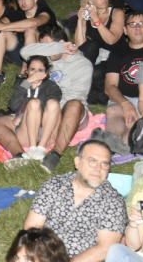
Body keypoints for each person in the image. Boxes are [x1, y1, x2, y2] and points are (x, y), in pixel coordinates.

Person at [20, 140, 127, 262]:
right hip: (43, 259)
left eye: (105, 164)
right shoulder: (54, 186)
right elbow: (31, 228)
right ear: (77, 162)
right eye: (92, 161)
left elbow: (104, 249)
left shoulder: (113, 202)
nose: (98, 169)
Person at [20, 24, 94, 174]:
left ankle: (55, 154)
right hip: (46, 108)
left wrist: (52, 111)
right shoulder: (48, 60)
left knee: (74, 105)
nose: (46, 52)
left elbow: (76, 97)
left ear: (62, 43)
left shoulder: (83, 65)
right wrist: (56, 48)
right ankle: (37, 145)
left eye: (49, 47)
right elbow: (24, 52)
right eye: (44, 48)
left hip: (70, 112)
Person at [0, 55, 62, 162]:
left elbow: (52, 107)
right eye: (32, 69)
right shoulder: (23, 84)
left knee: (40, 103)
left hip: (44, 133)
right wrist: (27, 83)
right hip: (25, 133)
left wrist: (23, 111)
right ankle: (27, 152)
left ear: (46, 73)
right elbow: (13, 105)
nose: (35, 73)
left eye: (40, 70)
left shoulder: (51, 86)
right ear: (27, 71)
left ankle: (40, 148)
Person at [100, 10, 143, 148]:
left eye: (142, 24)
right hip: (123, 100)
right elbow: (110, 86)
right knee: (113, 113)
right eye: (132, 24)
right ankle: (116, 146)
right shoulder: (118, 52)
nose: (137, 27)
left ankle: (133, 140)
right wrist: (125, 104)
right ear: (125, 30)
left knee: (131, 134)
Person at [0, 0, 56, 90]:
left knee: (30, 30)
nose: (23, 2)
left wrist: (6, 26)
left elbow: (33, 22)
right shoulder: (19, 12)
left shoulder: (45, 12)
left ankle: (24, 74)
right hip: (22, 55)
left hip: (43, 57)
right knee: (2, 31)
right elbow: (3, 21)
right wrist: (0, 24)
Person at [74, 0, 125, 65]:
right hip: (95, 58)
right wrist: (80, 20)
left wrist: (96, 19)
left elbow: (111, 40)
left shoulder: (117, 13)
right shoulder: (87, 16)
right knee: (91, 46)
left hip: (114, 58)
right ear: (90, 0)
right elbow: (80, 46)